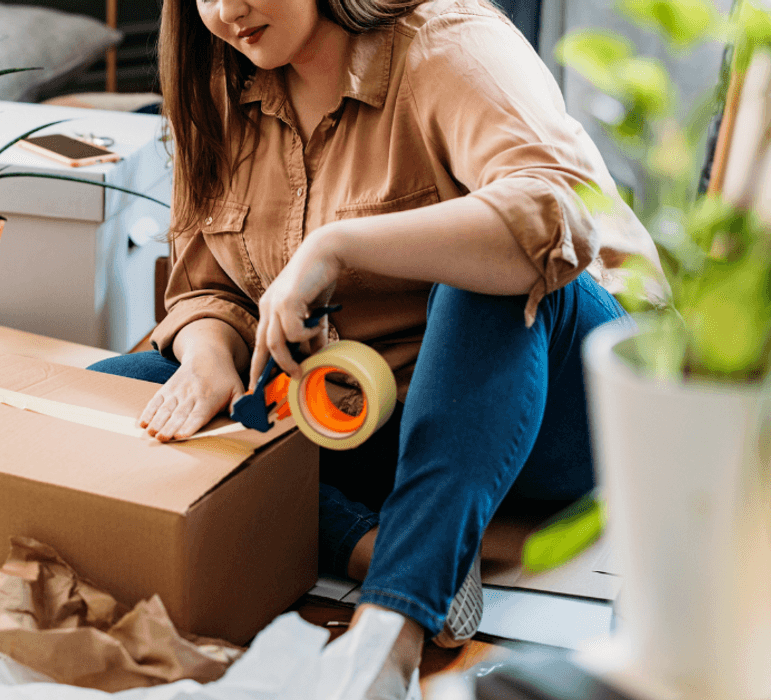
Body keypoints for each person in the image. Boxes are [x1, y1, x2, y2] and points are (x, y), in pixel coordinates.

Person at [88, 0, 658, 695]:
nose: (226, 10)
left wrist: (334, 248)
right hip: (367, 414)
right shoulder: (223, 86)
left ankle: (393, 623)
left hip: (557, 402)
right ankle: (376, 543)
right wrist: (208, 361)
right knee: (115, 387)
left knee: (487, 275)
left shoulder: (447, 43)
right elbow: (207, 291)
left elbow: (555, 217)